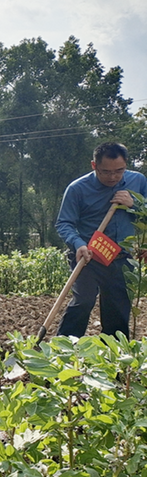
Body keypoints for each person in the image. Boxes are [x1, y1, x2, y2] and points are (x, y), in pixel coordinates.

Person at [55, 142, 147, 338]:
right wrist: (78, 244)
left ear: (126, 165)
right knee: (84, 300)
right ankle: (64, 349)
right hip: (88, 256)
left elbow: (145, 215)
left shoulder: (138, 181)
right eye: (106, 172)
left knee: (118, 307)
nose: (113, 177)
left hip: (121, 258)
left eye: (119, 171)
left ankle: (113, 359)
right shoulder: (77, 189)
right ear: (94, 165)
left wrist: (134, 205)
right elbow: (64, 223)